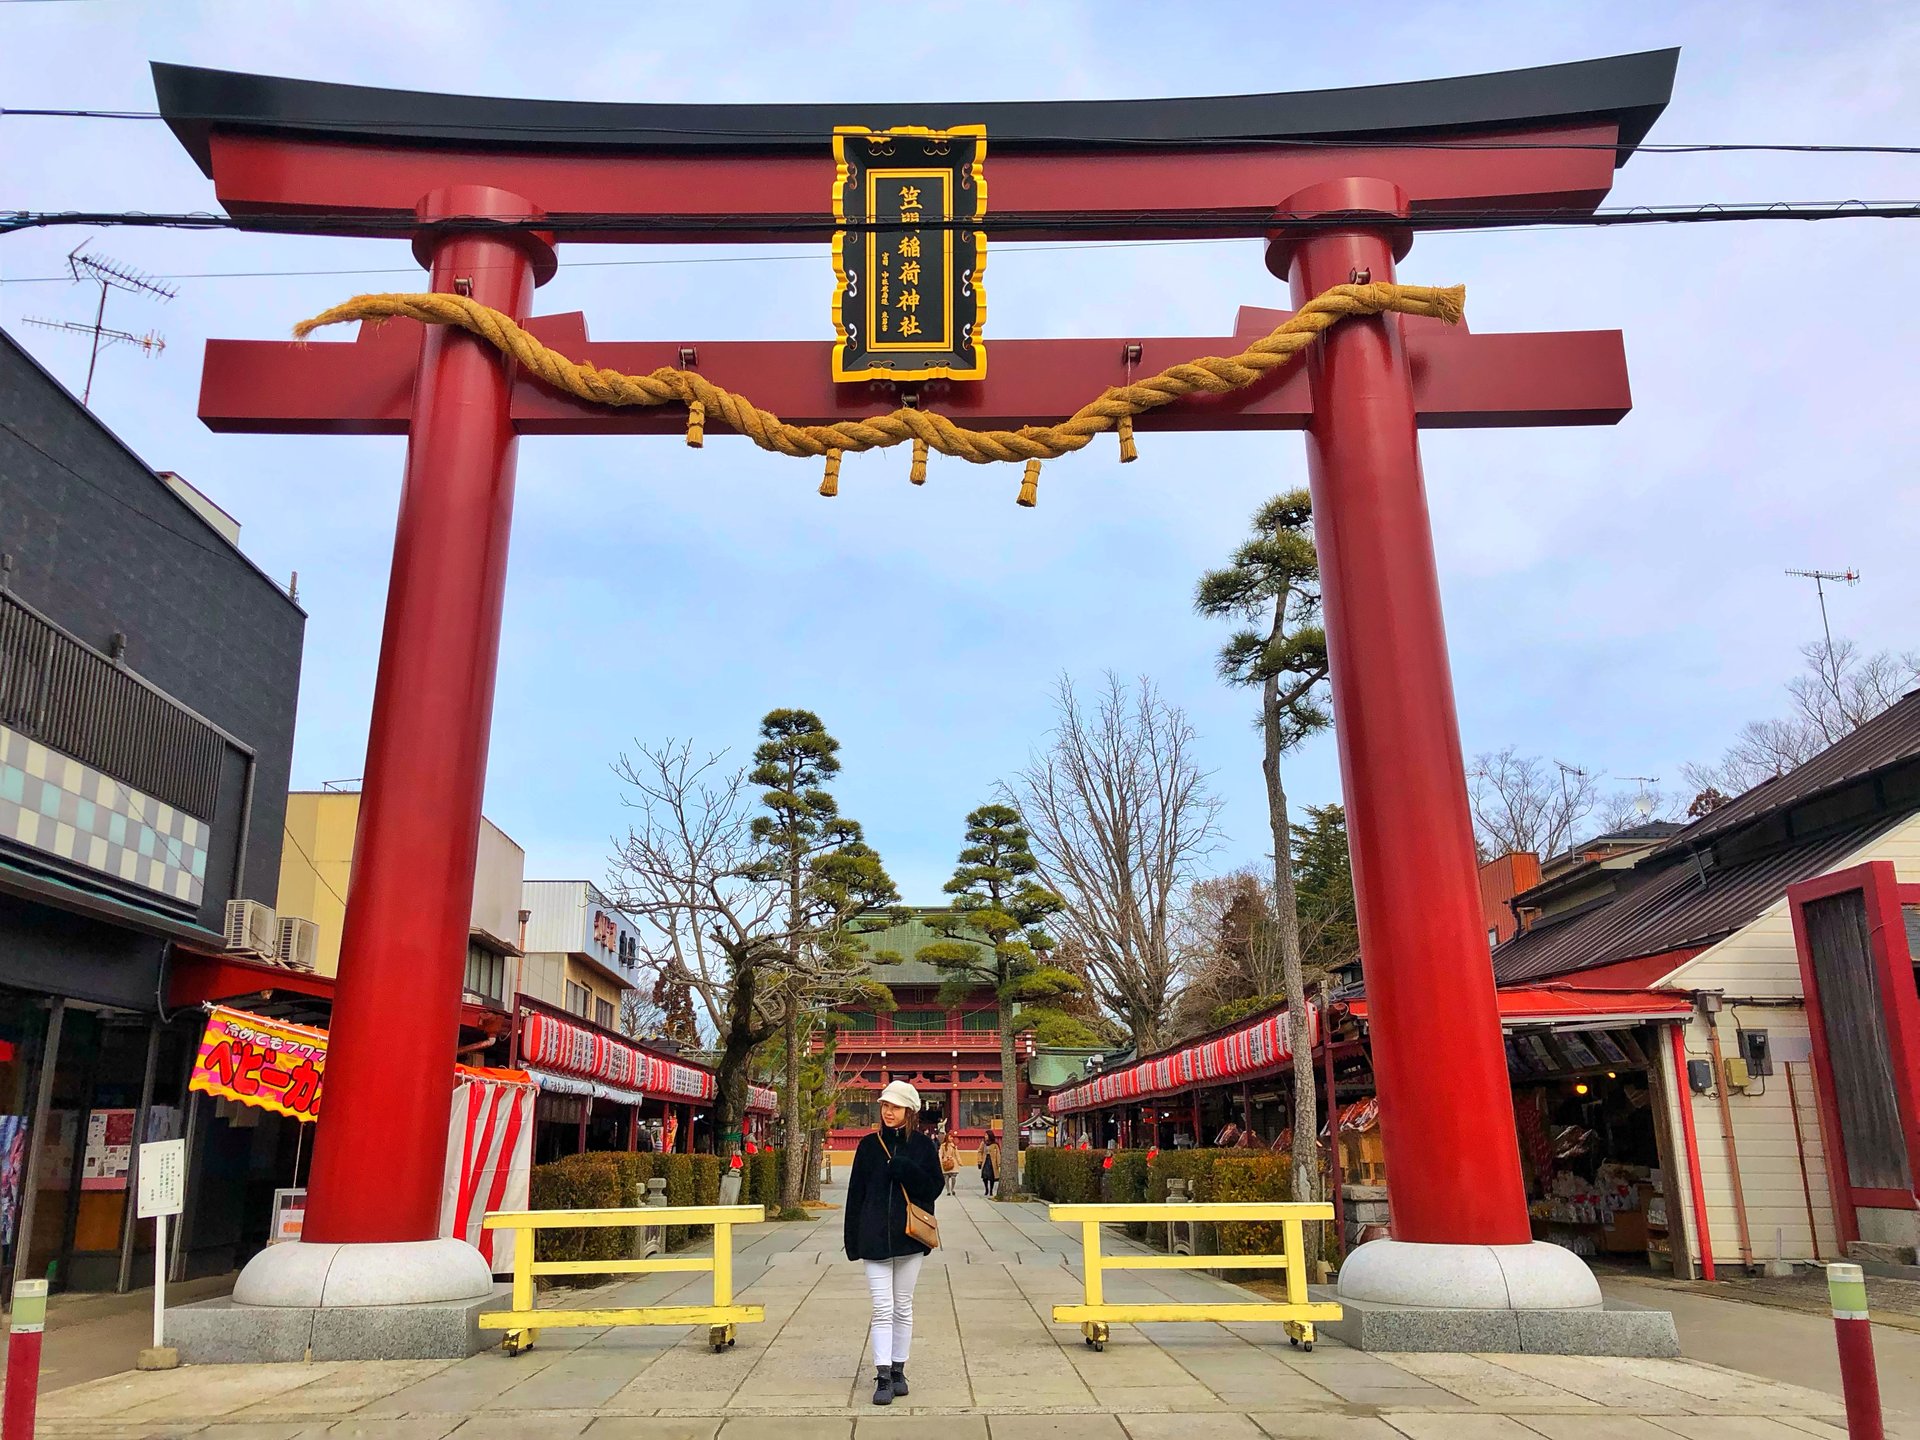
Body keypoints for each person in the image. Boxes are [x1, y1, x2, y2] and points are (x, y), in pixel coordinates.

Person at [843, 1080, 942, 1407]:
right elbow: (855, 1194)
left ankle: (899, 1368)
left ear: (909, 1111)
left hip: (910, 1237)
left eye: (896, 1106)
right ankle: (883, 1374)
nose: (888, 1111)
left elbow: (932, 1190)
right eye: (885, 1105)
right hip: (873, 1237)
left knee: (903, 1305)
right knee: (882, 1308)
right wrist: (852, 1239)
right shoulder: (868, 1147)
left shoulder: (924, 1148)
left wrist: (906, 1170)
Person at [938, 1130, 960, 1196]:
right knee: (946, 1178)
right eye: (950, 1137)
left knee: (953, 1177)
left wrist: (959, 1161)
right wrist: (940, 1161)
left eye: (952, 1137)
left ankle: (952, 1188)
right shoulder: (943, 1146)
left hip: (953, 1162)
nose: (951, 1138)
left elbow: (957, 1154)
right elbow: (940, 1154)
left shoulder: (954, 1146)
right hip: (945, 1162)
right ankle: (948, 1190)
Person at [980, 1131, 998, 1197]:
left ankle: (991, 1190)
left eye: (986, 1135)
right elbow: (980, 1152)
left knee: (991, 1177)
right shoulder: (983, 1143)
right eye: (985, 1135)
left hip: (992, 1161)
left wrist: (998, 1162)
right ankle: (986, 1189)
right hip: (985, 1161)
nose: (985, 1136)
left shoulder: (995, 1144)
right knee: (985, 1176)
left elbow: (998, 1154)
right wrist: (979, 1161)